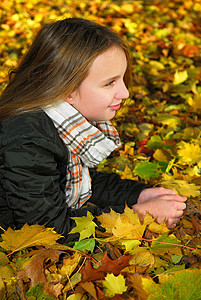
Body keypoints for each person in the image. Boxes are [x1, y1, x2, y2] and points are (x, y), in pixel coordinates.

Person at [0, 18, 186, 242]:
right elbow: (48, 232)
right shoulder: (27, 142)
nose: (125, 93)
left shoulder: (63, 123)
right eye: (110, 83)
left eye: (122, 79)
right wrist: (139, 216)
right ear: (65, 88)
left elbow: (78, 183)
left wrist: (138, 194)